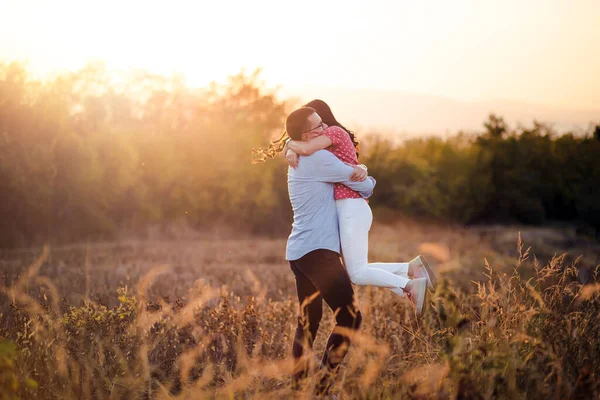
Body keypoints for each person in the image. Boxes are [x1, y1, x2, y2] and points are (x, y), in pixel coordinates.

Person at [284, 100, 436, 313]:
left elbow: (307, 148)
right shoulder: (327, 141)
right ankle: (411, 269)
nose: (321, 128)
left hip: (351, 207)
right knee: (357, 270)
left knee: (356, 274)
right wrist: (289, 146)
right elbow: (306, 146)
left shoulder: (333, 133)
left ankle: (410, 285)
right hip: (350, 208)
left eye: (319, 122)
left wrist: (290, 146)